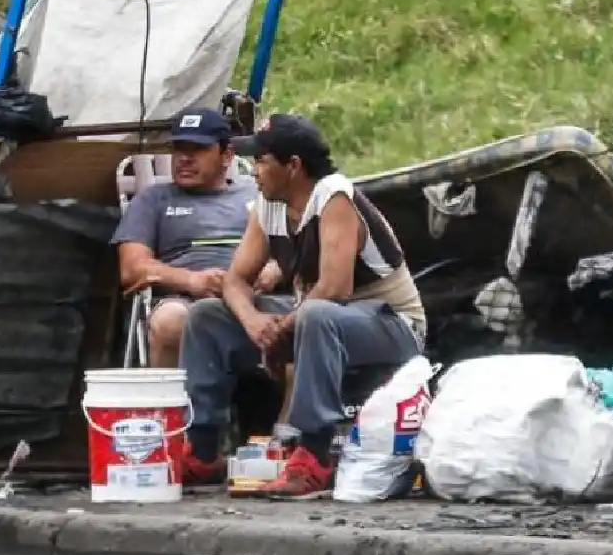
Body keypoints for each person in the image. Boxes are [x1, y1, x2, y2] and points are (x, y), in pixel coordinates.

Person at [177, 113, 427, 497]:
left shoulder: (334, 197)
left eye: (262, 160)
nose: (254, 170)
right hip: (315, 320)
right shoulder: (268, 205)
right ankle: (203, 449)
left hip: (392, 325)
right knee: (206, 316)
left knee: (316, 313)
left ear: (293, 166)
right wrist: (253, 321)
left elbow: (335, 289)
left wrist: (283, 324)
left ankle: (314, 455)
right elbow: (236, 279)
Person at [111, 106, 278, 368]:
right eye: (179, 149)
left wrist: (276, 267)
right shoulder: (153, 200)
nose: (185, 158)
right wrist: (191, 280)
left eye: (198, 149)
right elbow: (132, 269)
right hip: (184, 300)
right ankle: (175, 407)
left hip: (256, 296)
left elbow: (300, 245)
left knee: (306, 320)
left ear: (227, 155)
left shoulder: (257, 195)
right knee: (170, 322)